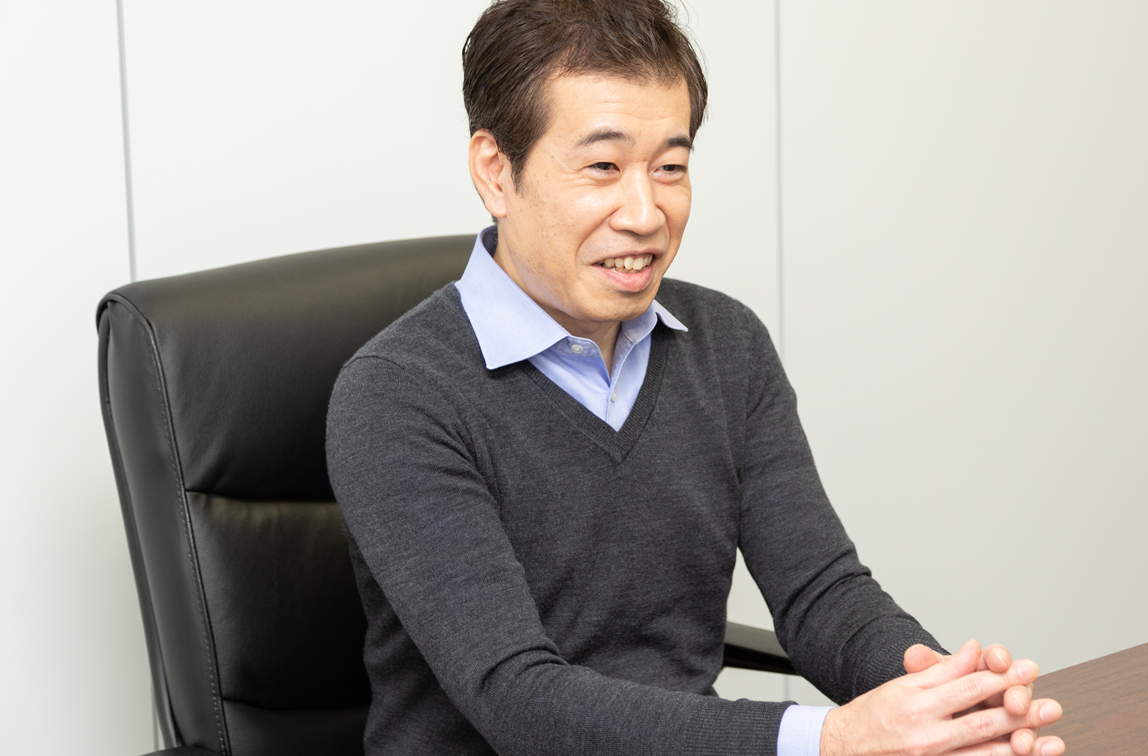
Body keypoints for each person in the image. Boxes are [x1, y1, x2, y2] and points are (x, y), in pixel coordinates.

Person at [325, 1, 1065, 754]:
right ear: (496, 172)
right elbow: (517, 697)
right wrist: (834, 738)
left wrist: (950, 704)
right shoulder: (397, 395)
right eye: (604, 167)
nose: (646, 213)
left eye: (670, 168)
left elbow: (822, 595)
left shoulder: (725, 346)